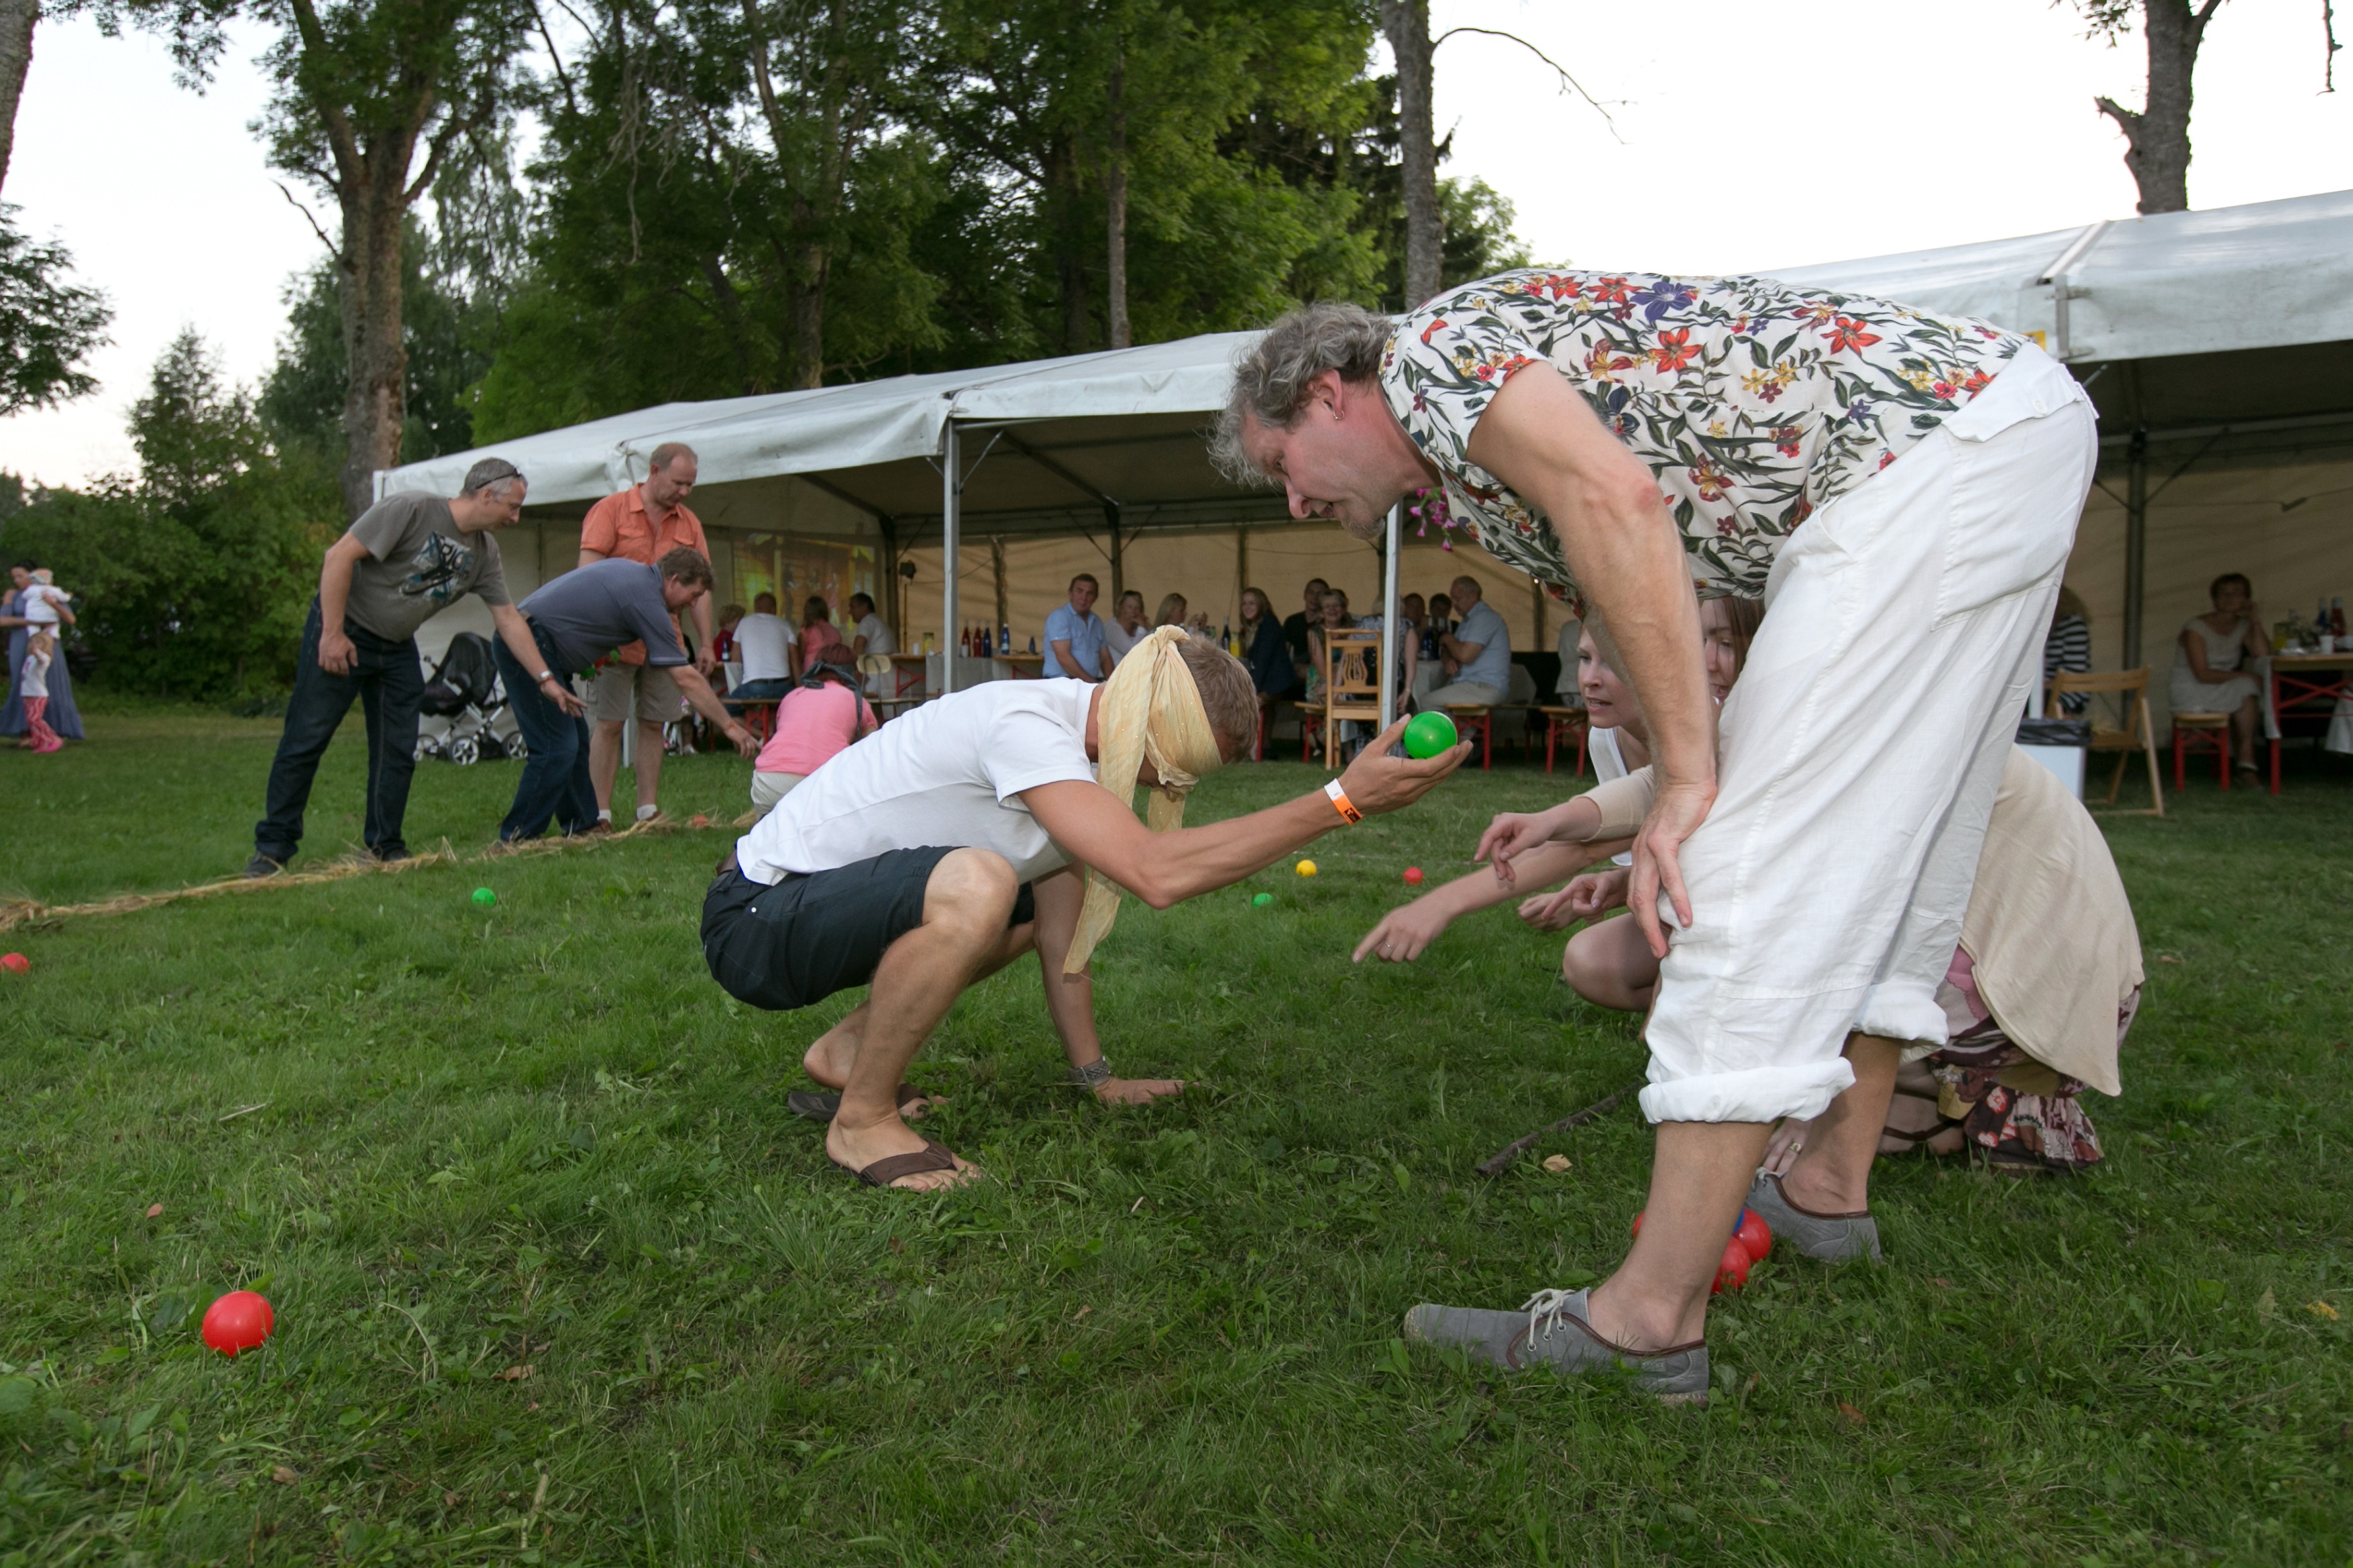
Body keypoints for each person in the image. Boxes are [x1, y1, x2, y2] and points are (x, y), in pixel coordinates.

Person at [1218, 275, 2092, 1398]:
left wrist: (1686, 775)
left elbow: (1623, 503)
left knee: (1734, 867)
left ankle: (1646, 1323)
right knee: (1908, 852)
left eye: (1280, 464)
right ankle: (1827, 1190)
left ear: (1328, 395)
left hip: (1934, 453)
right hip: (1999, 433)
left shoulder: (1426, 355)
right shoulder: (1464, 468)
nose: (1292, 502)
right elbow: (1638, 574)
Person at [700, 628, 1466, 1190]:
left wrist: (1096, 1077)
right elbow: (1155, 873)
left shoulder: (1079, 768)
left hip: (808, 914)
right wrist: (1339, 801)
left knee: (1016, 907)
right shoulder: (1029, 726)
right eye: (1176, 762)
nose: (1170, 784)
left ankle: (847, 1055)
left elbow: (1061, 941)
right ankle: (862, 1121)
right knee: (982, 885)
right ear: (1154, 717)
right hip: (754, 918)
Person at [248, 458, 534, 879]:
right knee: (306, 739)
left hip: (397, 646)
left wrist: (545, 678)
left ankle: (385, 847)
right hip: (346, 630)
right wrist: (332, 634)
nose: (516, 518)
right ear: (487, 494)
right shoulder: (412, 509)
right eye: (513, 507)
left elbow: (507, 617)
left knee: (397, 749)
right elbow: (338, 557)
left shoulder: (484, 553)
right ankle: (272, 851)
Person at [497, 549, 757, 842]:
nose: (693, 603)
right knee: (556, 746)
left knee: (575, 741)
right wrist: (729, 725)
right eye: (694, 594)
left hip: (537, 640)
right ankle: (519, 835)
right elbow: (685, 678)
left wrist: (588, 650)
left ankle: (583, 826)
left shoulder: (635, 576)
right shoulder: (648, 600)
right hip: (526, 642)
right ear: (673, 581)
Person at [580, 443, 716, 829]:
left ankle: (647, 811)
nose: (684, 492)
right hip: (614, 641)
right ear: (654, 472)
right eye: (678, 483)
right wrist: (594, 638)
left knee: (655, 723)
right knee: (609, 724)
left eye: (690, 485)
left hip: (665, 640)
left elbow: (701, 588)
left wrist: (706, 642)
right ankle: (599, 813)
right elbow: (587, 576)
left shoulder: (690, 523)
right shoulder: (610, 510)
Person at [747, 653, 879, 818]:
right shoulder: (857, 700)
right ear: (853, 672)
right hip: (820, 782)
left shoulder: (793, 695)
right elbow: (874, 752)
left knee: (769, 827)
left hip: (768, 779)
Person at [2170, 572, 2266, 780]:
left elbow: (2262, 656)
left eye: (2237, 593)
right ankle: (2244, 763)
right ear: (2214, 599)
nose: (2230, 598)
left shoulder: (2243, 625)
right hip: (2193, 688)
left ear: (2246, 599)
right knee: (2247, 684)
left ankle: (2246, 761)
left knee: (2247, 689)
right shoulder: (2196, 628)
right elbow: (2202, 674)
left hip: (2223, 684)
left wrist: (2255, 621)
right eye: (2224, 594)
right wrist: (2245, 676)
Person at [1, 562, 84, 744]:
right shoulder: (14, 595)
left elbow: (69, 618)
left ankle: (55, 729)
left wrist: (52, 604)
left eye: (20, 576)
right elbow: (2, 620)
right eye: (14, 577)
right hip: (21, 641)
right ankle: (24, 730)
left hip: (46, 642)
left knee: (52, 682)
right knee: (23, 682)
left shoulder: (50, 592)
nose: (16, 581)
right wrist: (29, 621)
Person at [1424, 573, 1512, 708]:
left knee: (1427, 702)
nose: (1453, 604)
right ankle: (1459, 724)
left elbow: (1465, 655)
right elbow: (1448, 650)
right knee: (1432, 697)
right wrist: (1448, 660)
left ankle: (1455, 725)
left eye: (1457, 598)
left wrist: (1447, 638)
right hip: (1471, 684)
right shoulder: (1467, 621)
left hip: (1485, 687)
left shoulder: (1485, 617)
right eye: (1452, 599)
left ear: (1473, 596)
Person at [13, 569, 72, 753]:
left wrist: (38, 648)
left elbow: (65, 604)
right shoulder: (31, 658)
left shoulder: (43, 657)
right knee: (32, 719)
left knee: (35, 719)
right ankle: (40, 740)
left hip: (38, 694)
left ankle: (52, 739)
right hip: (29, 692)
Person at [1043, 573, 1113, 682]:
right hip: (1061, 682)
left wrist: (1112, 684)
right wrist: (1092, 683)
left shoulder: (1097, 621)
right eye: (1079, 591)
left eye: (1089, 593)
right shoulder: (1059, 617)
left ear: (1095, 598)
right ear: (1070, 593)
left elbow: (1105, 658)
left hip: (1087, 684)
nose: (1084, 598)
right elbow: (1063, 657)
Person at [729, 593, 796, 703]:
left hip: (754, 687)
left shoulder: (743, 623)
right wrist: (799, 688)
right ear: (774, 609)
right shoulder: (785, 624)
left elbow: (735, 659)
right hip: (782, 687)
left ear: (756, 608)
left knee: (726, 708)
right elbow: (795, 659)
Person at [1238, 585, 1297, 705]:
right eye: (1244, 604)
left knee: (1246, 703)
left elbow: (1263, 659)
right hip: (1268, 680)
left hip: (1277, 682)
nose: (1247, 607)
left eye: (1252, 603)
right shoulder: (1254, 627)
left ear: (1261, 604)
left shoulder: (1269, 623)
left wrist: (1253, 689)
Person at [2044, 586, 2091, 716]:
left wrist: (2040, 687)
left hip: (2067, 693)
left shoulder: (2073, 625)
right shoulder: (2045, 629)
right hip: (2046, 690)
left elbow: (2074, 675)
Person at [846, 592, 895, 694]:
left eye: (852, 607)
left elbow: (858, 648)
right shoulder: (879, 622)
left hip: (875, 676)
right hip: (891, 676)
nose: (849, 612)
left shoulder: (867, 622)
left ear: (865, 607)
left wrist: (855, 671)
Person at [1283, 579, 1327, 663]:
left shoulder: (1329, 622)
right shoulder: (1292, 621)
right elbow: (1283, 652)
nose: (1315, 597)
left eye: (1320, 594)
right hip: (1297, 667)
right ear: (1305, 595)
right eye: (1311, 592)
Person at [1101, 590, 1149, 665]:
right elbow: (1131, 652)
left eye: (1137, 608)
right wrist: (1143, 628)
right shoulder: (1111, 628)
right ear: (1120, 608)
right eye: (1130, 607)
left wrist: (1148, 627)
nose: (1133, 611)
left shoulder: (1137, 629)